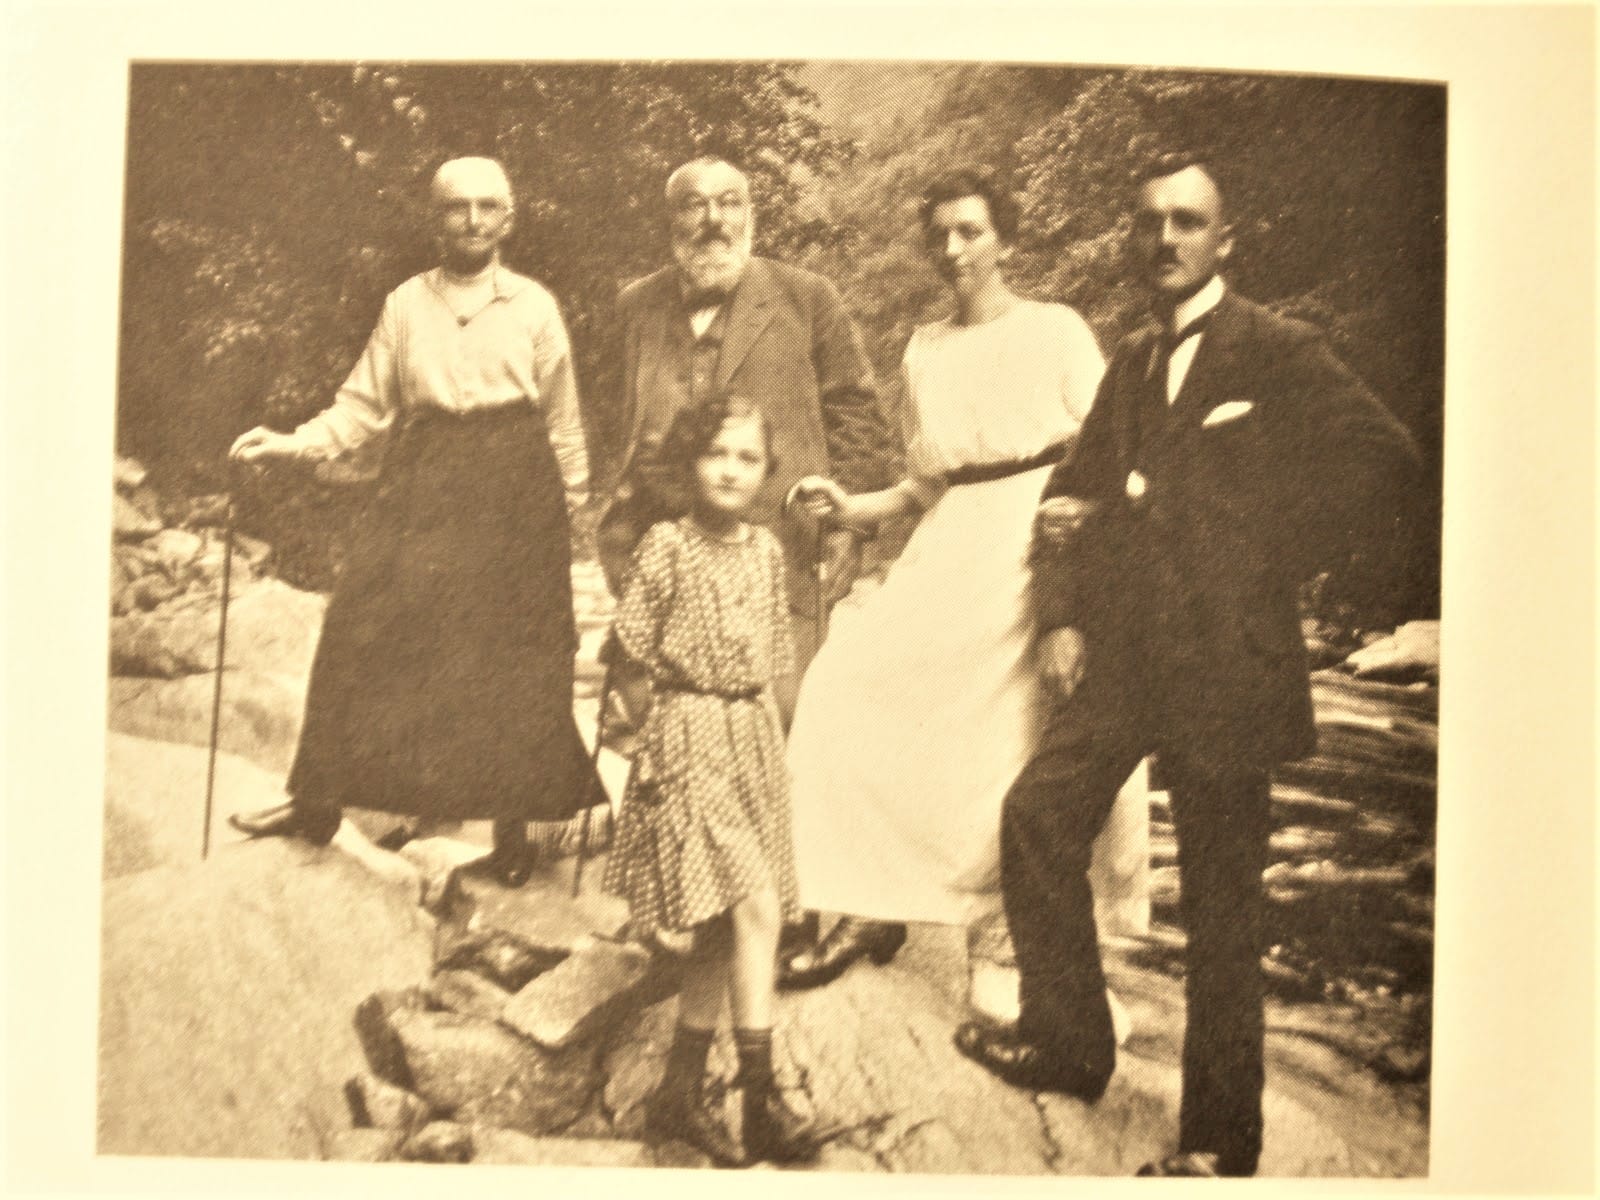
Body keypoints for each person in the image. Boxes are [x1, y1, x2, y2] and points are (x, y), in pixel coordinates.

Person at [954, 153, 1420, 1178]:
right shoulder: (1126, 359)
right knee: (1036, 818)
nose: (1165, 238)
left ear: (1223, 240)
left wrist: (1271, 552)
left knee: (1221, 910)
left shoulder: (1276, 349)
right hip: (1125, 659)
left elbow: (1386, 458)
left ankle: (1217, 1144)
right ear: (1134, 239)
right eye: (1150, 222)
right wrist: (1064, 618)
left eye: (1187, 221)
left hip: (1227, 667)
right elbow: (1066, 501)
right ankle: (1070, 1043)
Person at [777, 169, 1152, 1003]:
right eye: (940, 234)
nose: (953, 250)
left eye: (971, 231)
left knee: (1008, 742)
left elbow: (1108, 458)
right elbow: (925, 484)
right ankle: (868, 901)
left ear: (1004, 238)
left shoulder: (1056, 331)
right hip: (949, 545)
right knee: (845, 683)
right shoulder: (925, 349)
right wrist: (852, 508)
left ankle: (1007, 942)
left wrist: (1086, 577)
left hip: (1036, 543)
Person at [226, 156, 604, 887]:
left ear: (509, 218)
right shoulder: (405, 305)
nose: (472, 220)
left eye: (487, 206)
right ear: (435, 220)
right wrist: (291, 441)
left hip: (516, 486)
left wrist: (576, 519)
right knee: (356, 623)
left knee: (516, 651)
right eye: (456, 207)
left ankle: (513, 833)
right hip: (424, 478)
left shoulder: (534, 307)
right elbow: (362, 406)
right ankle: (316, 804)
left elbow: (562, 423)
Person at [603, 395, 837, 1168]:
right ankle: (759, 1100)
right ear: (691, 464)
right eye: (716, 454)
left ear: (766, 469)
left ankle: (677, 1091)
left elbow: (771, 671)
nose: (731, 470)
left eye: (746, 457)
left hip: (749, 742)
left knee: (718, 925)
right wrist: (654, 753)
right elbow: (628, 658)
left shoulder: (768, 551)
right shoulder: (668, 545)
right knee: (757, 907)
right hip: (685, 736)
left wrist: (776, 759)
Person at [597, 154, 893, 674]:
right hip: (662, 553)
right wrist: (621, 533)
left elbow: (857, 414)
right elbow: (617, 426)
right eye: (694, 205)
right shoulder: (635, 305)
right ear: (672, 222)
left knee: (782, 719)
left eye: (728, 203)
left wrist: (850, 529)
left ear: (750, 216)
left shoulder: (805, 296)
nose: (713, 219)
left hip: (782, 548)